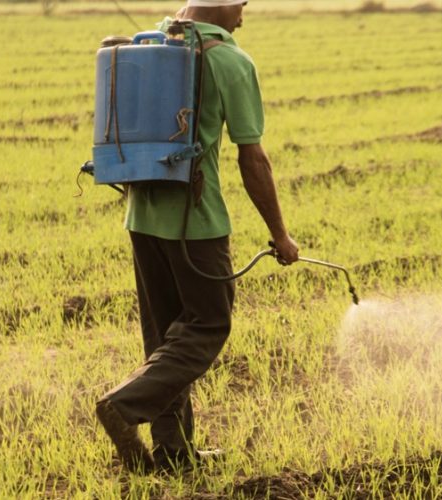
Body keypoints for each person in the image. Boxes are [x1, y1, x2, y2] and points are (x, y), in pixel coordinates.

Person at [94, 0, 299, 474]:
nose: (245, 13)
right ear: (223, 7)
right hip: (196, 222)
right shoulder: (231, 61)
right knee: (209, 323)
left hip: (141, 217)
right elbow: (254, 159)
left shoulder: (152, 45)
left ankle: (173, 452)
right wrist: (280, 236)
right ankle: (124, 406)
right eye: (242, 4)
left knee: (167, 336)